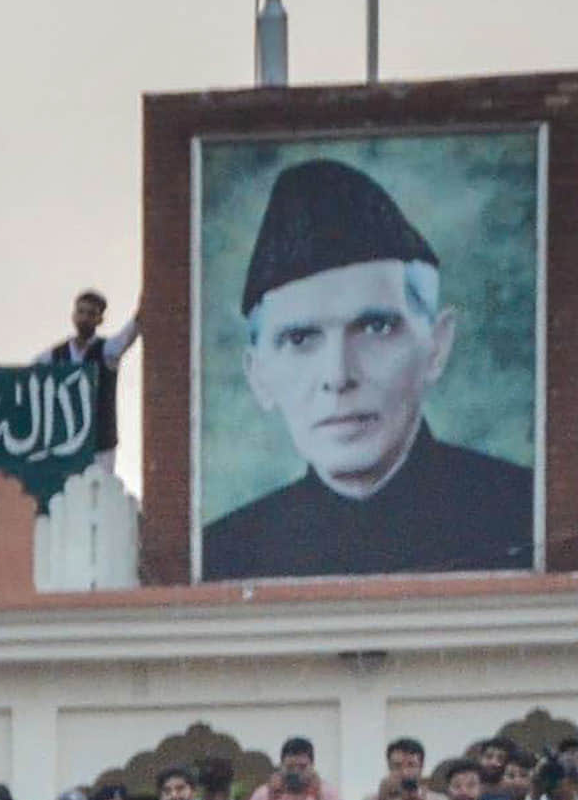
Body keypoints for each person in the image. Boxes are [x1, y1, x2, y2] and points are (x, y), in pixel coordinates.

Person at [200, 157, 536, 581]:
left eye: (376, 327)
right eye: (301, 339)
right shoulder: (224, 557)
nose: (338, 376)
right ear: (259, 374)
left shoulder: (528, 518)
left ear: (436, 345)